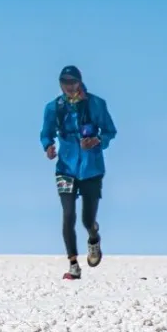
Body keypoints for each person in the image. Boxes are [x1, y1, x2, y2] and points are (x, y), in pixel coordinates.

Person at [39, 65, 117, 280]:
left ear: (80, 82)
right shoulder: (54, 108)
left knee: (86, 220)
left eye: (73, 82)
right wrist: (48, 146)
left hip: (91, 169)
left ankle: (93, 238)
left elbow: (110, 130)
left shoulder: (96, 104)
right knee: (68, 215)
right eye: (64, 82)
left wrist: (97, 141)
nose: (69, 86)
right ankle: (73, 265)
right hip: (66, 168)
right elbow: (46, 133)